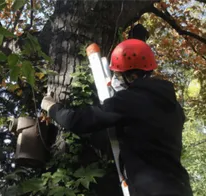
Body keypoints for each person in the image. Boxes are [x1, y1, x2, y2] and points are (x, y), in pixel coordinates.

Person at [40, 39, 193, 196]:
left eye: (119, 75)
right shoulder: (175, 107)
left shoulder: (128, 102)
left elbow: (78, 121)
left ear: (131, 76)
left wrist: (52, 108)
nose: (118, 79)